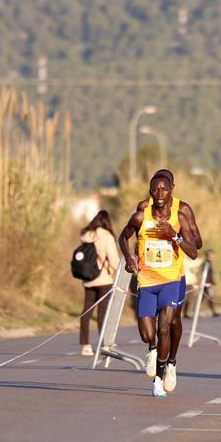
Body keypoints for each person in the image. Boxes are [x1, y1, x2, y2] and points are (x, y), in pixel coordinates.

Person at [118, 169, 202, 397]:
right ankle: (153, 350)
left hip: (173, 279)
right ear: (150, 191)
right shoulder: (141, 212)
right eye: (155, 189)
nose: (159, 193)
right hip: (147, 280)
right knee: (148, 333)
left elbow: (196, 247)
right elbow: (125, 236)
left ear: (172, 188)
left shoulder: (181, 211)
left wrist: (175, 236)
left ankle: (166, 369)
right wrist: (130, 258)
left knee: (168, 325)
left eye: (164, 188)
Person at [78, 210, 120, 356]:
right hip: (104, 279)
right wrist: (115, 271)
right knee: (103, 313)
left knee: (86, 312)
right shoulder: (107, 237)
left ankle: (85, 345)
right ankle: (104, 344)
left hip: (88, 279)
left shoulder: (85, 235)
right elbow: (114, 260)